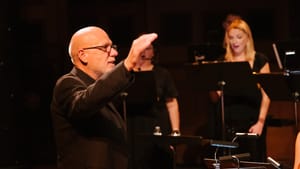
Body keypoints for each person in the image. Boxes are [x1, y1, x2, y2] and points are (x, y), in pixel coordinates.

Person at [50, 26, 157, 169]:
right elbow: (84, 103)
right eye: (105, 48)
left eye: (113, 47)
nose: (114, 52)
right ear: (83, 55)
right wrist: (126, 64)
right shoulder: (67, 83)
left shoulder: (100, 90)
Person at [210, 19, 271, 162]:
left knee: (253, 161)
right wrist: (209, 83)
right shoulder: (223, 61)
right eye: (231, 37)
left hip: (252, 122)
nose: (234, 41)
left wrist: (260, 122)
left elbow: (267, 94)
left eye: (239, 37)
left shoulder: (259, 60)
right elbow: (216, 98)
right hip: (228, 123)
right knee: (228, 162)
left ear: (247, 38)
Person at [127, 43, 181, 169]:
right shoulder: (126, 73)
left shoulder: (162, 74)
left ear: (153, 52)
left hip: (156, 125)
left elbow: (172, 103)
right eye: (141, 47)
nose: (144, 51)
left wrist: (175, 131)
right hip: (133, 125)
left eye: (148, 48)